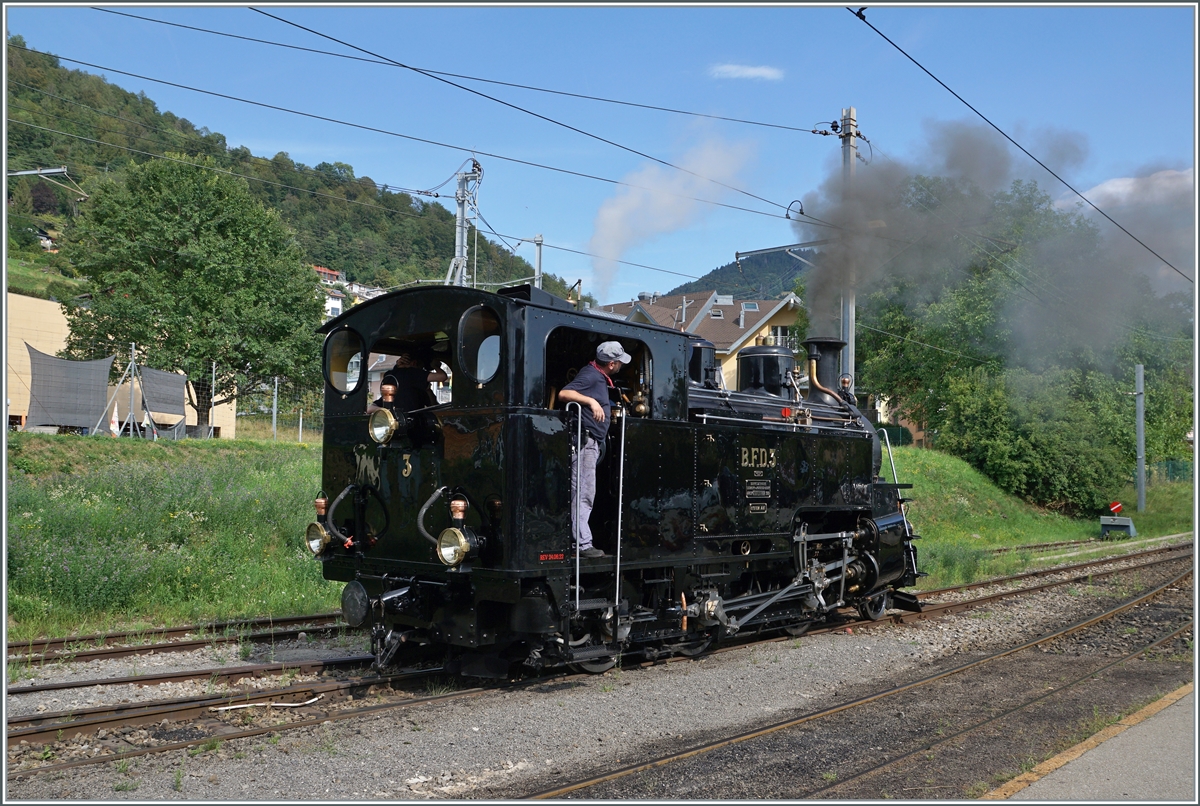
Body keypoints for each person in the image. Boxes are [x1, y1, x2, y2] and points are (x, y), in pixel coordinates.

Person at [557, 341, 631, 559]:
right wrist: (591, 401)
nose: (620, 367)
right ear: (611, 364)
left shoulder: (597, 376)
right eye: (619, 363)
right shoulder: (590, 376)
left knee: (586, 492)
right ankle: (582, 544)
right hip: (585, 443)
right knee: (583, 493)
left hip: (592, 442)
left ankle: (581, 540)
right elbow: (564, 394)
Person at [375, 350, 448, 412]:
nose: (422, 371)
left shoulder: (390, 375)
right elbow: (442, 377)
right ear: (414, 363)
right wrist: (435, 366)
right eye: (421, 367)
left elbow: (432, 404)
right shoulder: (412, 373)